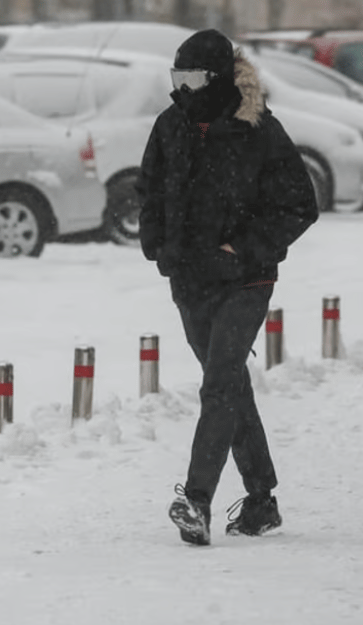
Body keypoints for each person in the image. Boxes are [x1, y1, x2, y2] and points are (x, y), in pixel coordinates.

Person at [135, 28, 319, 546]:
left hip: (246, 279)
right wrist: (158, 246)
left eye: (192, 78)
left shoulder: (257, 129)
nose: (183, 88)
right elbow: (148, 189)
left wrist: (246, 248)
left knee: (218, 384)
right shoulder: (169, 126)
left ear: (216, 79)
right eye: (177, 77)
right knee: (231, 385)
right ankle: (261, 500)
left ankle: (196, 501)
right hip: (190, 280)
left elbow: (300, 205)